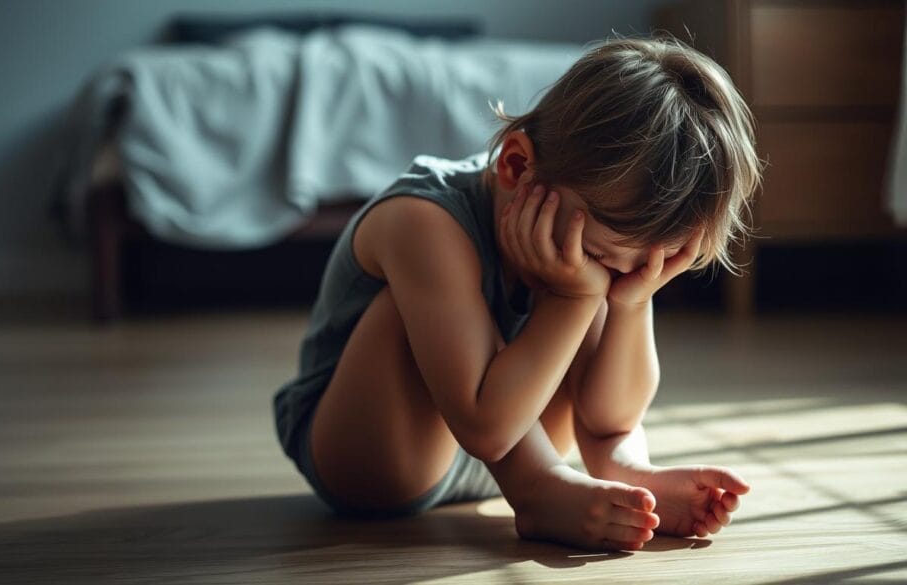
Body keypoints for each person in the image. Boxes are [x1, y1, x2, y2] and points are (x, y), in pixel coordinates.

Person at [272, 36, 761, 551]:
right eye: (603, 258)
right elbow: (485, 429)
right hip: (377, 456)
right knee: (417, 303)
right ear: (516, 167)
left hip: (518, 439)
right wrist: (574, 297)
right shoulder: (424, 219)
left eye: (632, 269)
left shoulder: (601, 255)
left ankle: (623, 473)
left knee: (585, 292)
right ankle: (537, 489)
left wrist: (628, 300)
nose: (609, 275)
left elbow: (611, 416)